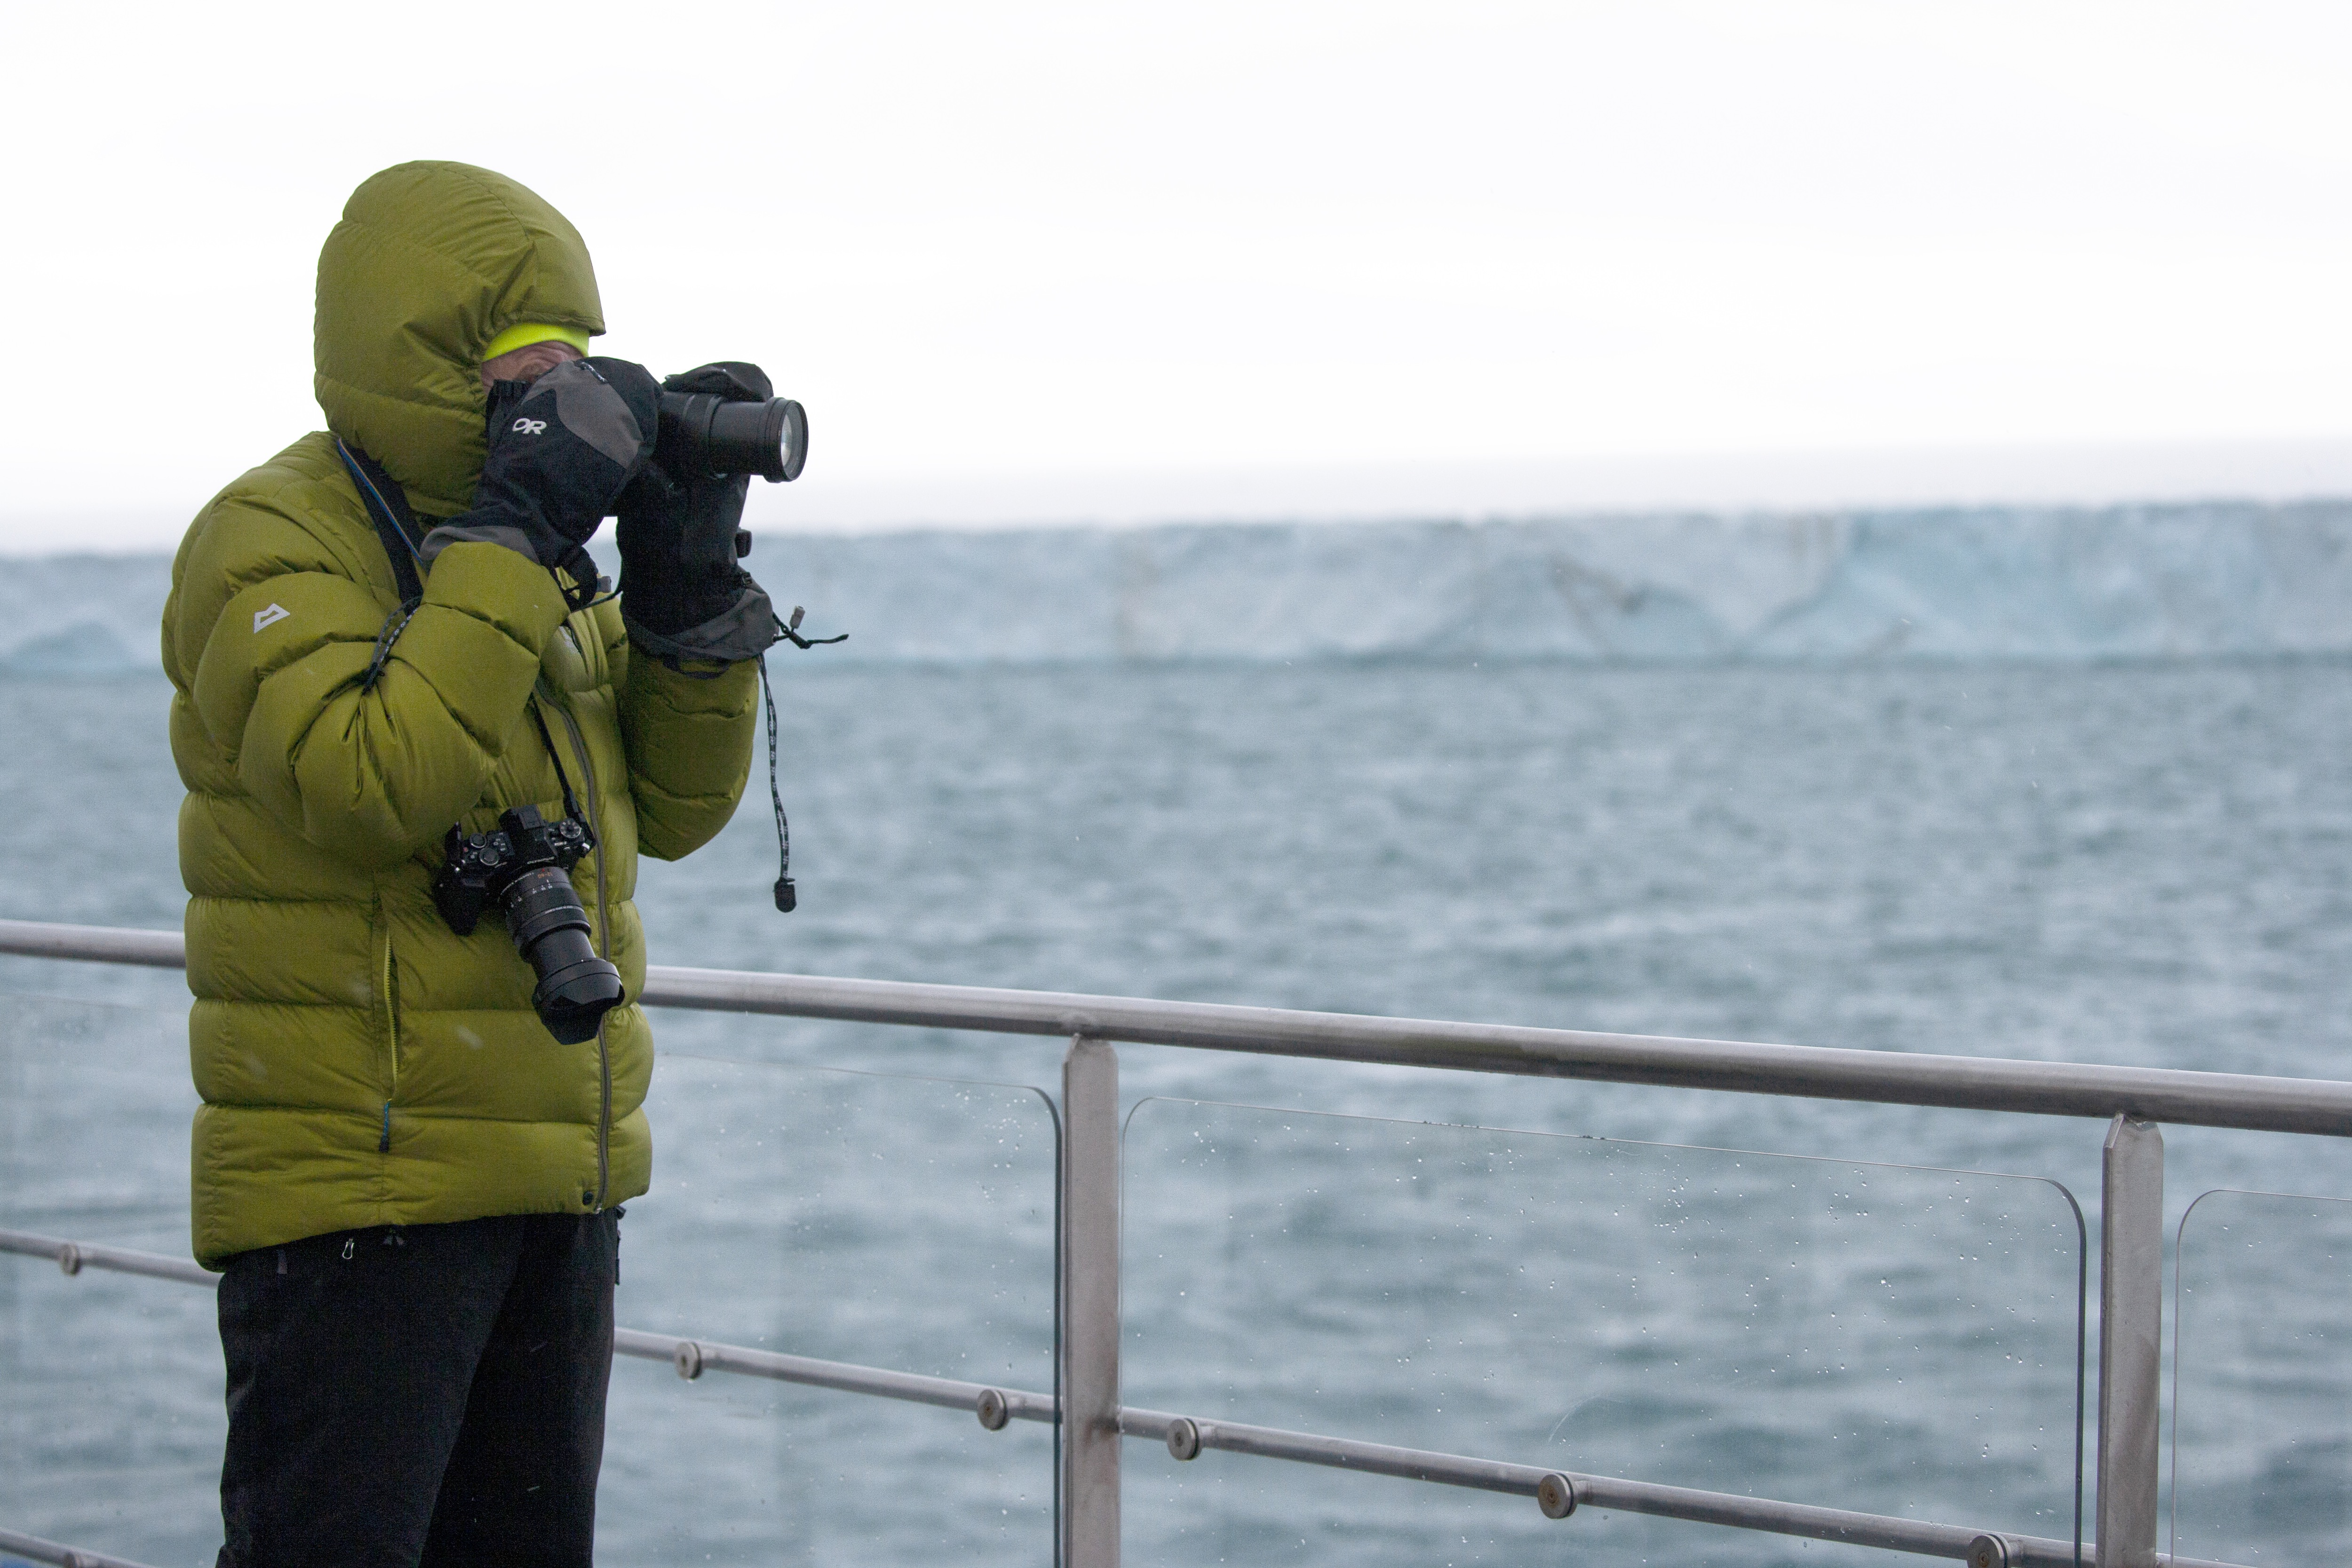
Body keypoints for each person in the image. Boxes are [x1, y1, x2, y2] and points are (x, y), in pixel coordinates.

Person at [161, 160, 784, 1566]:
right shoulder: (268, 538)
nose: (559, 389)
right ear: (421, 356)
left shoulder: (539, 568)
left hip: (556, 1173)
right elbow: (369, 777)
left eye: (578, 357)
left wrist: (685, 597)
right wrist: (510, 536)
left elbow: (679, 812)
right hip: (359, 1189)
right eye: (522, 361)